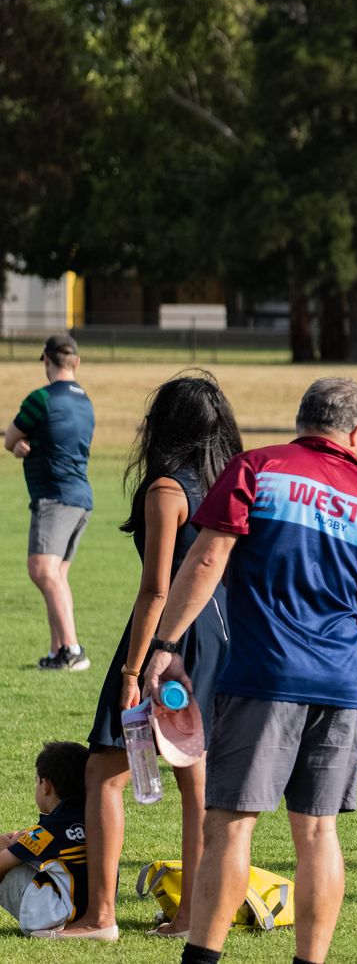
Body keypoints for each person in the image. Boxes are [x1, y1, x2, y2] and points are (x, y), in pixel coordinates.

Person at [140, 377, 357, 964]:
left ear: (302, 420)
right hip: (339, 686)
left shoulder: (256, 470)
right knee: (317, 832)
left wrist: (166, 643)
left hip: (264, 677)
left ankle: (201, 959)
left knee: (231, 825)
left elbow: (206, 559)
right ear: (356, 434)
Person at [60, 373, 242, 942]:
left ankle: (100, 917)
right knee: (196, 777)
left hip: (170, 637)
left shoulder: (167, 488)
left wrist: (132, 670)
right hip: (219, 632)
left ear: (165, 426)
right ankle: (192, 917)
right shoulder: (226, 483)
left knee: (103, 771)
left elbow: (157, 589)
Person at [6, 334, 96, 672]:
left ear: (46, 359)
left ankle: (73, 650)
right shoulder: (86, 403)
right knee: (57, 575)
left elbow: (10, 439)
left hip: (54, 497)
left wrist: (19, 447)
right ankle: (59, 650)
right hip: (81, 498)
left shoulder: (41, 399)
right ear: (76, 362)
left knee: (42, 570)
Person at [1, 742, 90, 937]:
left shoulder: (48, 831)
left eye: (36, 781)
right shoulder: (92, 820)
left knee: (2, 845)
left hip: (50, 916)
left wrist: (8, 843)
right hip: (87, 911)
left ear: (46, 786)